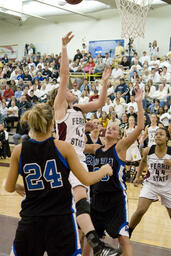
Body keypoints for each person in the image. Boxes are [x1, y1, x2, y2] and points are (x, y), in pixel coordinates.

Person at [5, 103, 113, 256]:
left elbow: (9, 188)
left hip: (31, 220)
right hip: (60, 221)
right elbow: (87, 179)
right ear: (51, 123)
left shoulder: (18, 150)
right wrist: (104, 170)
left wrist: (18, 187)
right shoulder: (64, 147)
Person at [52, 32, 118, 256]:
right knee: (80, 199)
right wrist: (63, 48)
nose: (71, 90)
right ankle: (96, 246)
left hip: (79, 158)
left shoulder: (78, 110)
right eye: (68, 90)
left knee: (78, 204)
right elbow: (64, 76)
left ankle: (88, 246)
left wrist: (105, 82)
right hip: (66, 158)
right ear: (61, 95)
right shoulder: (59, 108)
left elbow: (100, 102)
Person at [85, 88, 144, 256]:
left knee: (123, 237)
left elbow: (140, 127)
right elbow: (74, 145)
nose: (110, 129)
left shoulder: (120, 147)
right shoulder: (96, 149)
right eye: (109, 128)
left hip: (115, 198)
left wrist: (138, 102)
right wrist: (84, 129)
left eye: (114, 129)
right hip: (97, 198)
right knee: (90, 237)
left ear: (119, 135)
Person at [129, 128, 171, 238]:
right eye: (156, 134)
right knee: (140, 210)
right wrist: (138, 177)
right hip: (150, 184)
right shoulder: (148, 150)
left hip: (167, 186)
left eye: (161, 134)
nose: (157, 136)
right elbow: (143, 162)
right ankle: (128, 232)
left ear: (167, 138)